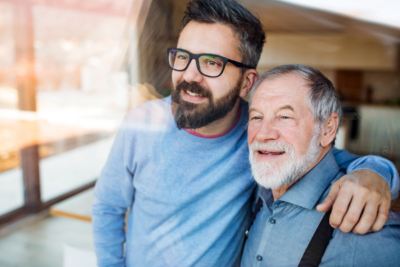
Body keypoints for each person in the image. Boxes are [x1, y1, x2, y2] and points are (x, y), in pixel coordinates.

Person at [92, 1, 400, 266]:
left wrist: (376, 174)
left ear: (246, 83)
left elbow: (330, 158)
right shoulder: (141, 126)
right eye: (183, 57)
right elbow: (108, 206)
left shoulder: (256, 138)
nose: (189, 75)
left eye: (212, 62)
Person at [242, 64, 400, 266]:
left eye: (285, 117)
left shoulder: (367, 229)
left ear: (327, 130)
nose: (263, 133)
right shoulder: (258, 191)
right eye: (257, 117)